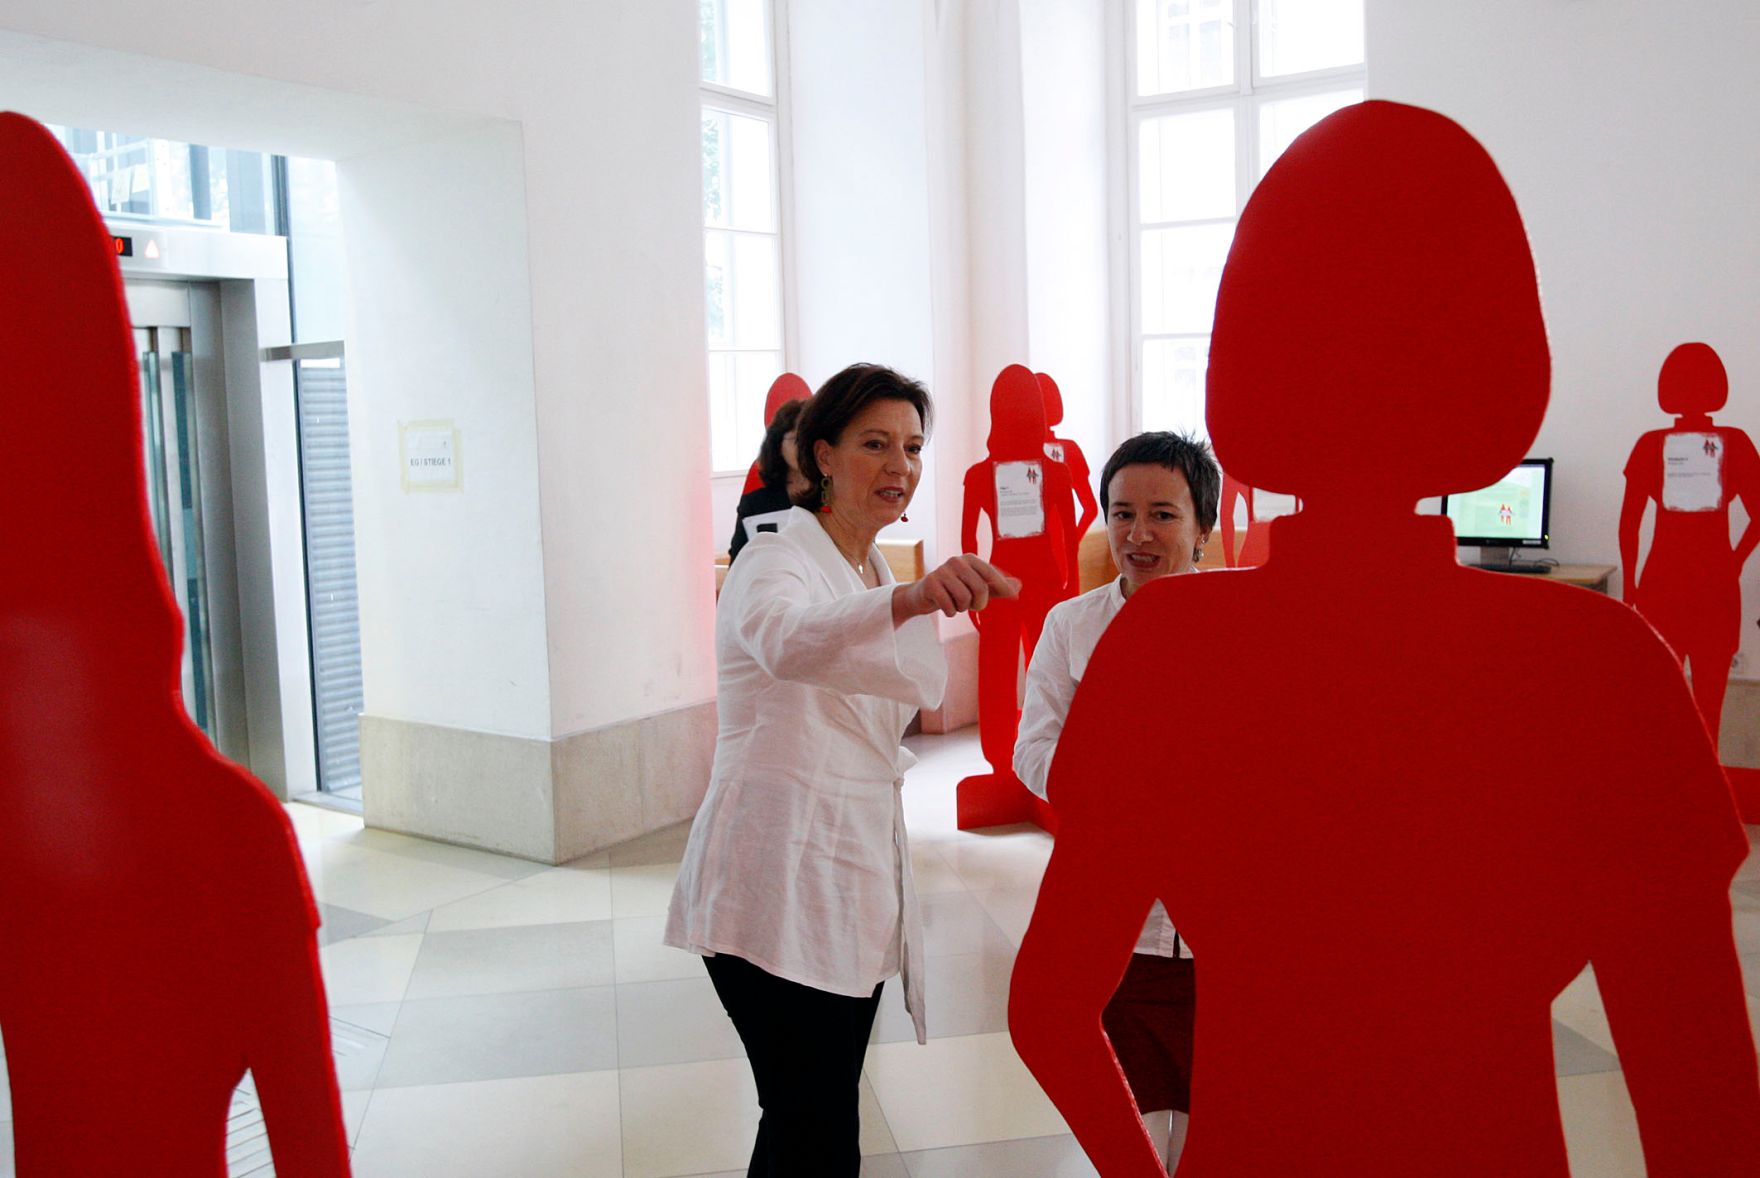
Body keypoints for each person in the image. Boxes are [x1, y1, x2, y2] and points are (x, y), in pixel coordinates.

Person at [1009, 99, 1760, 1177]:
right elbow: (1701, 1091)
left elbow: (1046, 1005)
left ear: (1248, 368)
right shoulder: (1603, 662)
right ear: (1500, 360)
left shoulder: (1164, 650)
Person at [666, 363, 1017, 1177]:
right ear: (822, 455)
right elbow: (785, 640)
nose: (900, 465)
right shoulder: (773, 556)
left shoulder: (870, 566)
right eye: (875, 444)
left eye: (913, 447)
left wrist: (904, 596)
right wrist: (910, 602)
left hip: (845, 882)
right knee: (810, 1120)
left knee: (818, 1124)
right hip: (769, 882)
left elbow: (899, 680)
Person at [1012, 430, 1219, 1171]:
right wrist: (1116, 793)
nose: (1137, 534)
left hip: (1223, 931)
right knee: (1136, 1132)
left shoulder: (1242, 626)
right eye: (1122, 513)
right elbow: (1033, 748)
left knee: (1219, 1130)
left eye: (1162, 515)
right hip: (1119, 928)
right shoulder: (1071, 626)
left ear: (1203, 526)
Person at [1618, 341, 1760, 746]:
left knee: (1660, 699)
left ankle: (1666, 774)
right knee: (1708, 707)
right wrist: (1734, 561)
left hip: (1662, 585)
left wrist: (1629, 586)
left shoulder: (1650, 443)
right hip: (1715, 585)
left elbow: (1629, 524)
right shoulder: (1735, 441)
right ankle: (1705, 775)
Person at [728, 397, 808, 563]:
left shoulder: (834, 496)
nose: (804, 447)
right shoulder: (755, 503)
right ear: (778, 444)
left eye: (809, 439)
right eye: (796, 439)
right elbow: (738, 560)